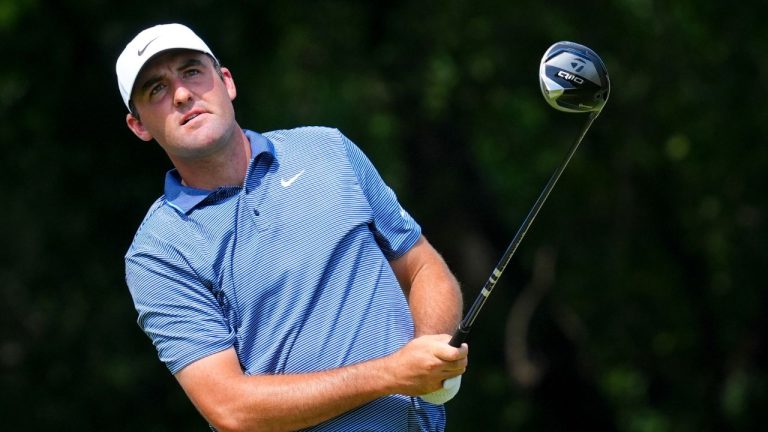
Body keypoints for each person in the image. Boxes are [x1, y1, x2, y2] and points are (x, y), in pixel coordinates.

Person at [118, 23, 467, 432]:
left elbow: (423, 267)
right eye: (156, 89)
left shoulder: (327, 148)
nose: (181, 94)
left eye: (192, 71)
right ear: (139, 125)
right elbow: (231, 408)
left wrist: (431, 351)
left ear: (226, 82)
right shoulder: (158, 251)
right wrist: (393, 373)